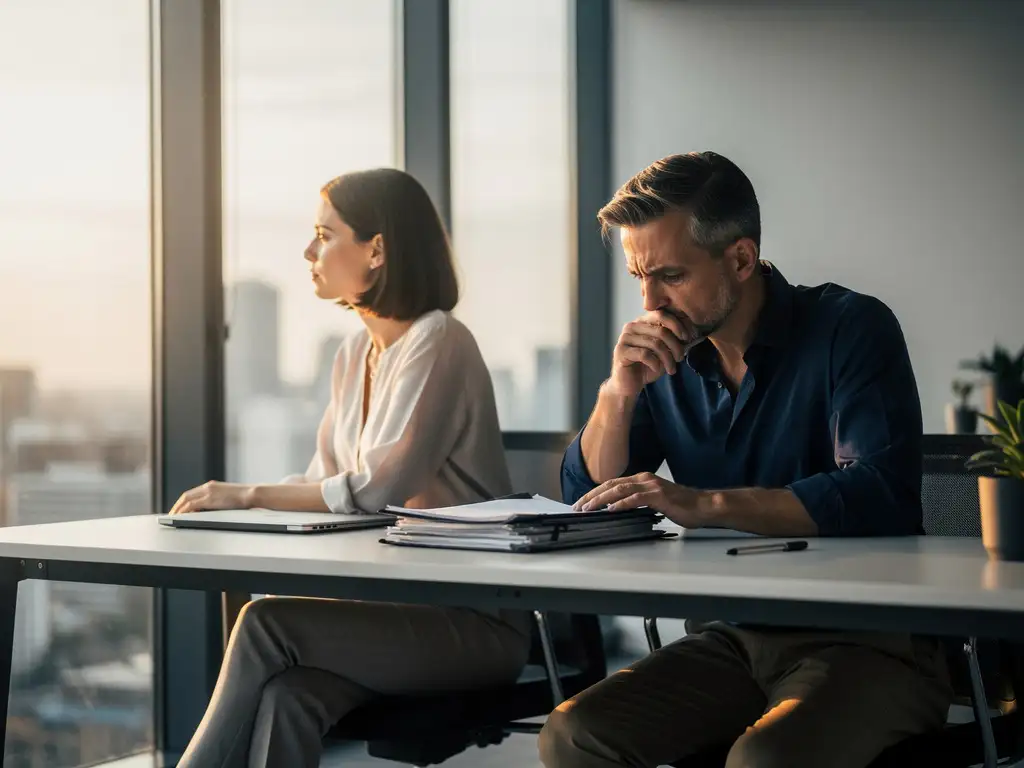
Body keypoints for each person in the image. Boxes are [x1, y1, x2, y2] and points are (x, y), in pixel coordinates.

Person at [538, 152, 952, 768]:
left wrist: (702, 505)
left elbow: (876, 492)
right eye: (638, 277)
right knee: (574, 735)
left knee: (767, 759)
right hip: (732, 639)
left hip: (869, 641)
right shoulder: (666, 356)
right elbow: (586, 492)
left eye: (670, 276)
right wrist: (618, 391)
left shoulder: (851, 327)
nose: (650, 301)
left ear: (740, 258)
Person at [170, 168, 531, 768]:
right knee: (290, 697)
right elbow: (324, 480)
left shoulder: (438, 339)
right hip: (393, 615)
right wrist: (234, 500)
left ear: (377, 249)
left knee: (265, 623)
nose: (309, 251)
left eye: (323, 233)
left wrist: (245, 492)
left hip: (472, 623)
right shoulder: (354, 353)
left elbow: (373, 490)